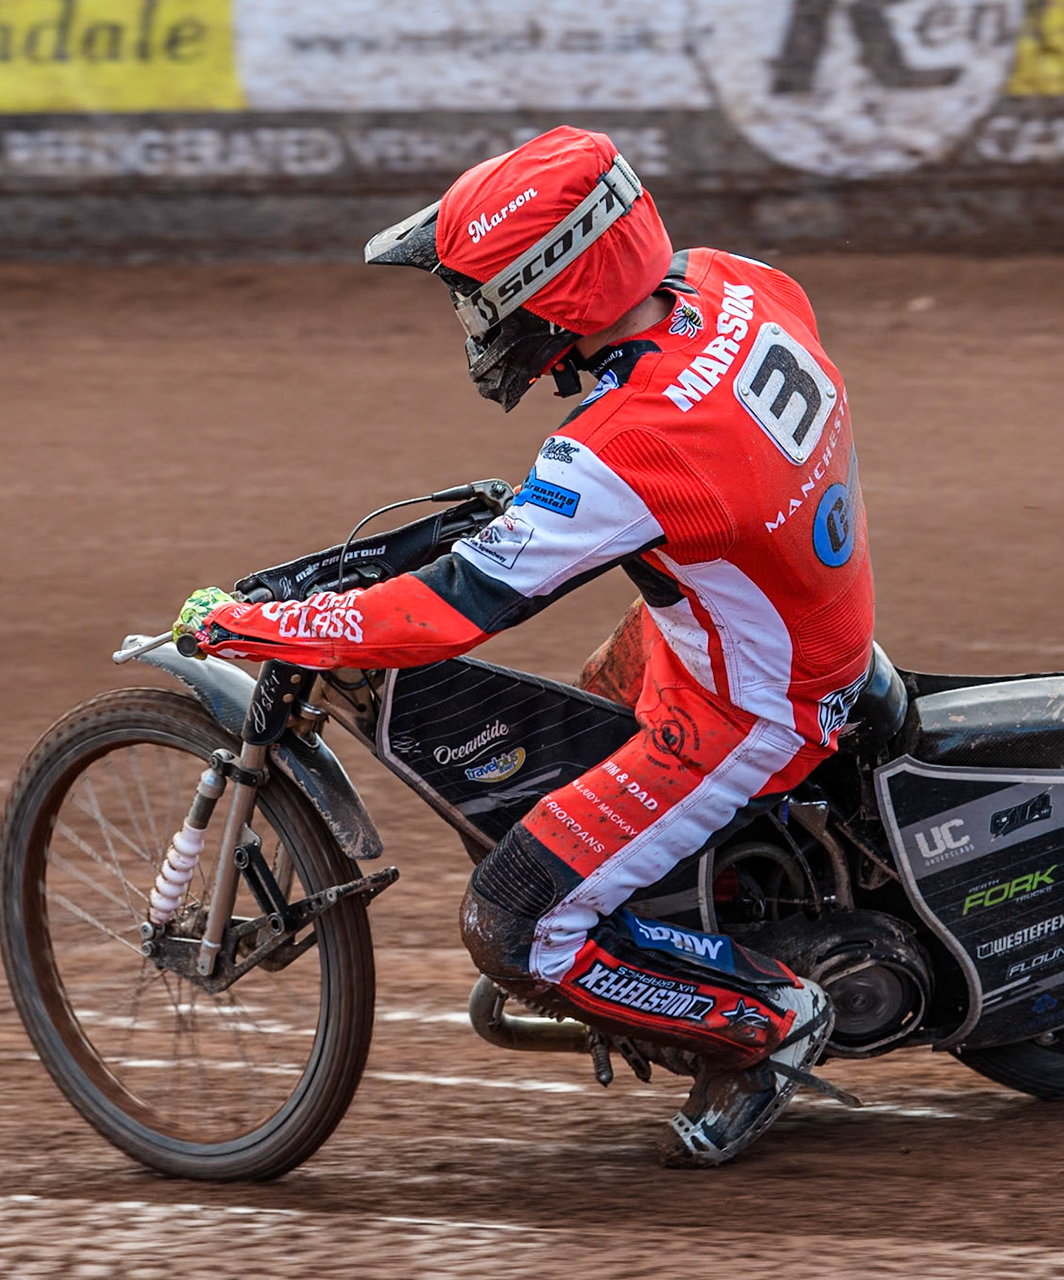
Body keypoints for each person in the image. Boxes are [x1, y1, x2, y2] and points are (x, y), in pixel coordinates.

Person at [172, 126, 876, 1166]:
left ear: (551, 290)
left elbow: (447, 613)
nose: (471, 319)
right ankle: (669, 919)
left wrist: (261, 623)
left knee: (512, 925)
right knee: (581, 721)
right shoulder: (733, 284)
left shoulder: (625, 447)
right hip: (762, 621)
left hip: (753, 706)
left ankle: (767, 1019)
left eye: (478, 295)